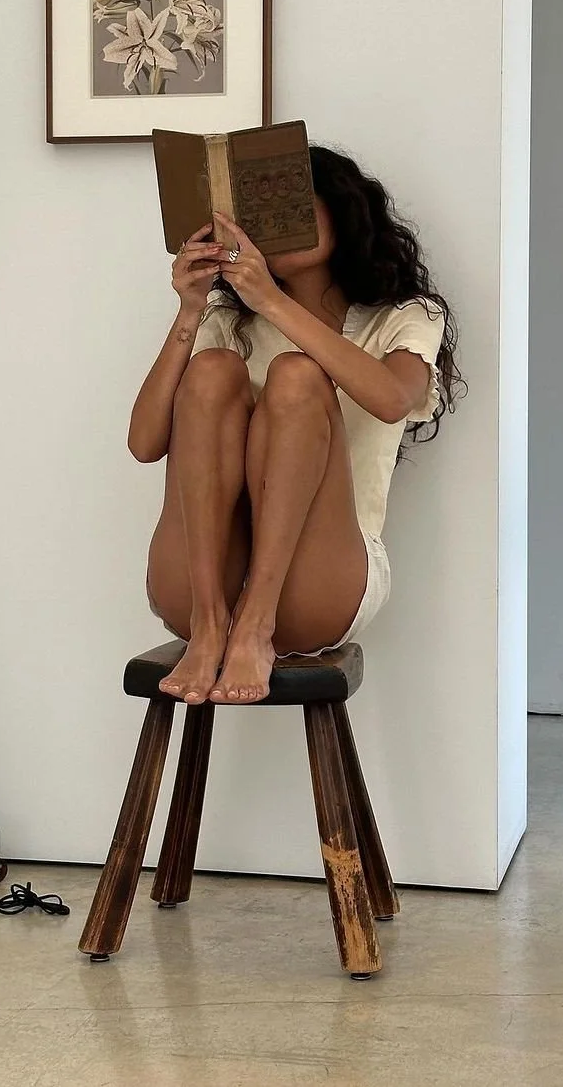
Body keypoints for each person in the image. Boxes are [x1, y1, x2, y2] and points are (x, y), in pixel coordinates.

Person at [128, 145, 461, 707]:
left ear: (342, 211)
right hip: (201, 577)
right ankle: (212, 624)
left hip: (320, 582)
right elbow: (144, 443)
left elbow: (391, 400)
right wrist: (190, 310)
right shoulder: (228, 323)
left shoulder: (406, 315)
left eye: (292, 208)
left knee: (298, 378)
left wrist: (272, 302)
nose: (273, 228)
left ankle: (254, 624)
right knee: (210, 372)